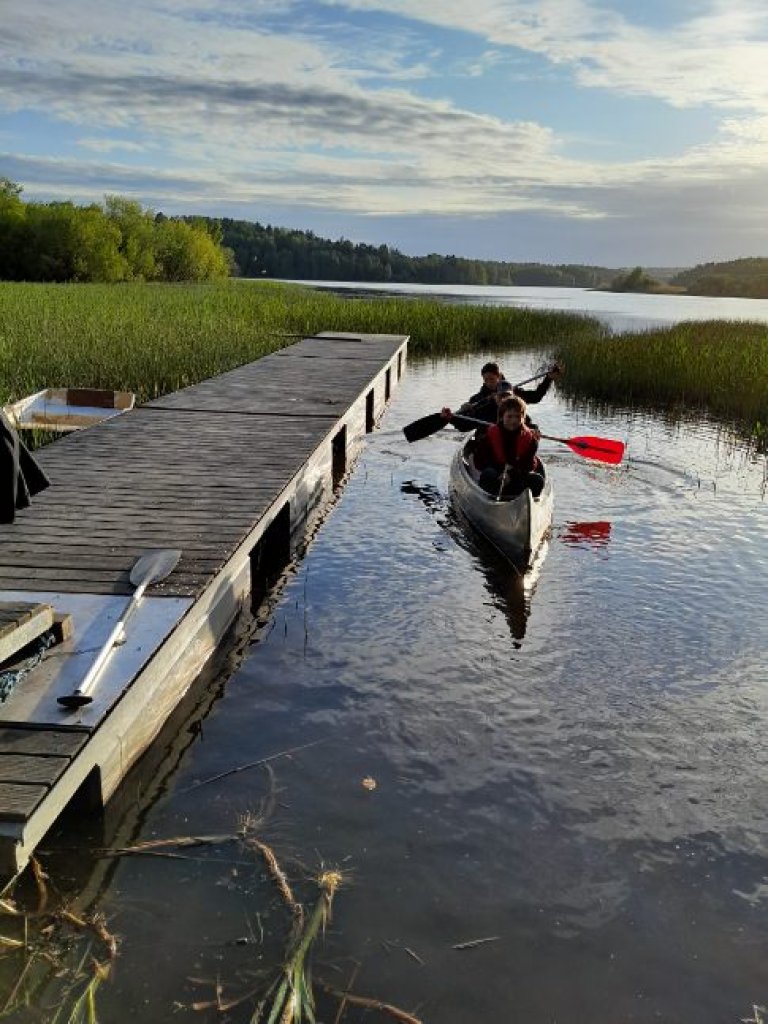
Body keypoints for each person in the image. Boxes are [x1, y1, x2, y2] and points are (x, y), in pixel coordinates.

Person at [473, 395, 545, 498]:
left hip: (517, 479)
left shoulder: (530, 439)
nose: (514, 421)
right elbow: (479, 462)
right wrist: (501, 472)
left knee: (537, 480)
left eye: (517, 417)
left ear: (523, 418)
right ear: (502, 416)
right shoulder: (489, 436)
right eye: (509, 416)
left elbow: (528, 465)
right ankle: (490, 500)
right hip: (496, 477)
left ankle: (526, 504)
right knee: (488, 474)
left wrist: (511, 475)